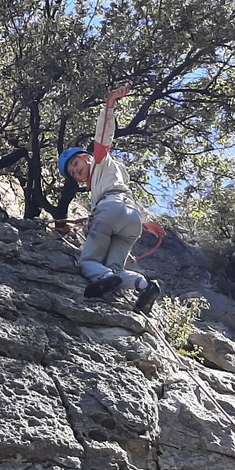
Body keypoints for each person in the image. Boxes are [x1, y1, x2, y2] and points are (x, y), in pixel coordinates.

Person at [59, 87, 162, 312]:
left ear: (86, 158)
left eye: (76, 164)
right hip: (132, 219)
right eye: (73, 173)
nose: (76, 171)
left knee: (88, 262)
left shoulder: (100, 161)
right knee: (116, 267)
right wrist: (147, 222)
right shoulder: (113, 177)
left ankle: (103, 277)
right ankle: (144, 285)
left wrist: (109, 106)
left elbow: (103, 137)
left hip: (109, 211)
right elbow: (126, 201)